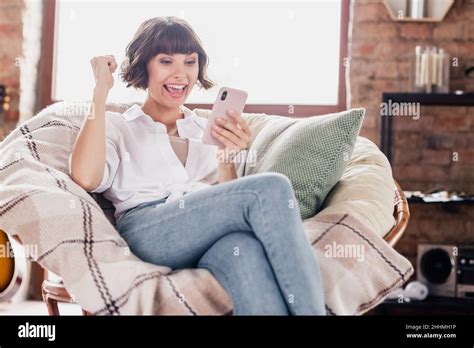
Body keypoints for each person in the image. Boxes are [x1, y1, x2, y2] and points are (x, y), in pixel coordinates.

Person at [69, 16, 325, 315]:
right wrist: (100, 91)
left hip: (203, 232)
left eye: (190, 62)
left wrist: (228, 157)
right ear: (144, 66)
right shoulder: (118, 125)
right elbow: (85, 177)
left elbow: (227, 205)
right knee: (273, 187)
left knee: (244, 251)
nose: (181, 74)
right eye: (166, 61)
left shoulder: (205, 127)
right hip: (149, 230)